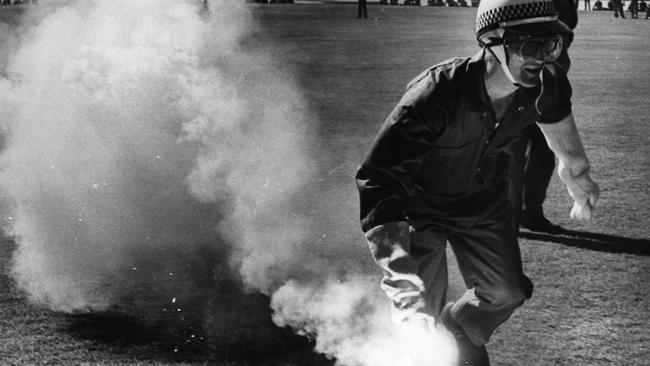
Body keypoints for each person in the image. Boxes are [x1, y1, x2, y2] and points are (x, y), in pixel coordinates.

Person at [355, 0, 600, 364]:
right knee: (418, 313)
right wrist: (401, 281)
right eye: (530, 45)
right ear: (493, 40)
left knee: (506, 293)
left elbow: (560, 131)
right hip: (418, 208)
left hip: (482, 202)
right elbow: (378, 180)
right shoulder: (435, 93)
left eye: (552, 45)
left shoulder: (547, 84)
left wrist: (579, 183)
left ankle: (461, 322)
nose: (543, 59)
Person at [508, 0, 577, 234]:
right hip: (521, 80)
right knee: (514, 152)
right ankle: (512, 215)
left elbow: (568, 29)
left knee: (544, 151)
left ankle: (531, 212)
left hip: (548, 83)